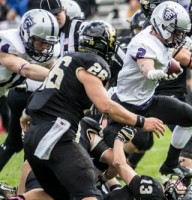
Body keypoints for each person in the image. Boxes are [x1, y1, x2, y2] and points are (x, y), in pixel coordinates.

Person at [20, 19, 164, 200]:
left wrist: (26, 115)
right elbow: (106, 106)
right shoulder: (92, 63)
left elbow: (41, 95)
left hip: (33, 136)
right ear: (107, 46)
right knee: (88, 193)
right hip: (57, 133)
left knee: (57, 195)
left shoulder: (66, 59)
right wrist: (141, 121)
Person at [103, 0, 192, 179]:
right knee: (111, 164)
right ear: (165, 27)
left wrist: (171, 67)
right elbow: (145, 64)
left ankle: (171, 164)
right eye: (178, 32)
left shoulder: (163, 36)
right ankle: (100, 182)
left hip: (148, 100)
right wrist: (152, 73)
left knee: (191, 118)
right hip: (126, 105)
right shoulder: (143, 40)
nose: (181, 36)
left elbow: (170, 55)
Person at [0, 9, 60, 172]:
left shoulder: (42, 50)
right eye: (41, 42)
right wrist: (62, 77)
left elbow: (54, 66)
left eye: (48, 43)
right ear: (27, 34)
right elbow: (26, 70)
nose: (45, 47)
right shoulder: (8, 43)